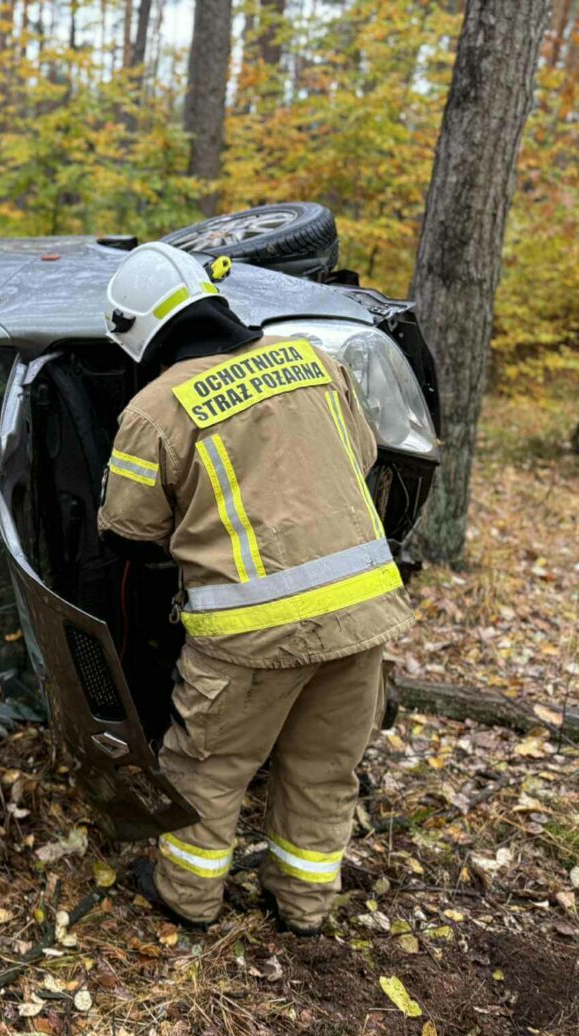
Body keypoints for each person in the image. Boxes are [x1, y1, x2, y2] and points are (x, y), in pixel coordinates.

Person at [97, 243, 413, 936]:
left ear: (136, 331)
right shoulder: (314, 362)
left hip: (250, 639)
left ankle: (186, 896)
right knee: (325, 768)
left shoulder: (155, 409)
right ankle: (302, 907)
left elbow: (127, 532)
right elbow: (361, 460)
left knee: (208, 768)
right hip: (362, 617)